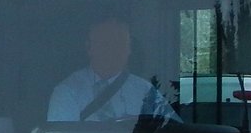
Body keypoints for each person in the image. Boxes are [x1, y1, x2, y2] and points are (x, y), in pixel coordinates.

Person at [47, 17, 177, 122]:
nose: (113, 50)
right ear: (89, 47)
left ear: (129, 49)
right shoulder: (67, 92)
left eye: (120, 43)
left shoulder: (146, 91)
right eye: (106, 43)